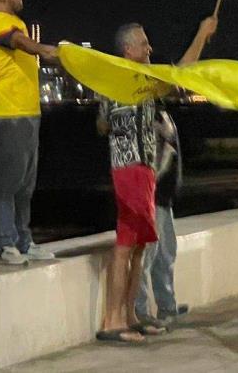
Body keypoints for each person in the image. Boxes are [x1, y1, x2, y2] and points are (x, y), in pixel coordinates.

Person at [97, 17, 217, 344]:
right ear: (127, 50)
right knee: (126, 247)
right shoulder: (127, 79)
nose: (150, 48)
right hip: (130, 168)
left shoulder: (135, 81)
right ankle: (112, 321)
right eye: (143, 43)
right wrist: (201, 34)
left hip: (144, 171)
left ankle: (131, 317)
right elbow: (180, 71)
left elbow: (102, 125)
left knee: (139, 247)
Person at [0, 0, 59, 265]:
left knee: (26, 183)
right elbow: (16, 42)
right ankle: (3, 243)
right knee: (8, 181)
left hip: (28, 112)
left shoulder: (10, 17)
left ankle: (23, 240)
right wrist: (45, 50)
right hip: (9, 114)